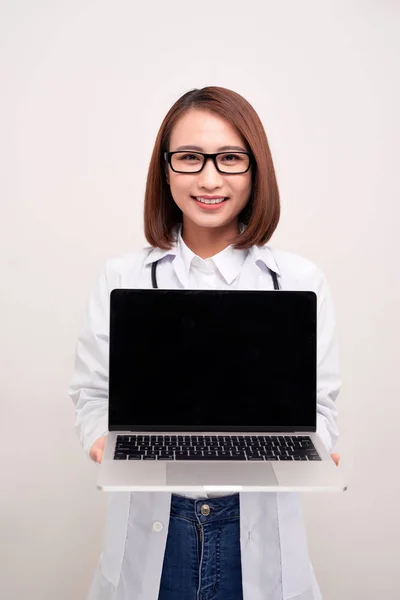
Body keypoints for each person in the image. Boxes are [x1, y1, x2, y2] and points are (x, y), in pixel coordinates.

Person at [69, 86, 341, 600]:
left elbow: (321, 407)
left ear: (255, 169)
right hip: (158, 526)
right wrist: (100, 438)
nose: (210, 178)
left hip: (254, 528)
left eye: (230, 158)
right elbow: (91, 394)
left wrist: (314, 445)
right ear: (166, 169)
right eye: (191, 158)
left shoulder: (299, 280)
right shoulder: (120, 277)